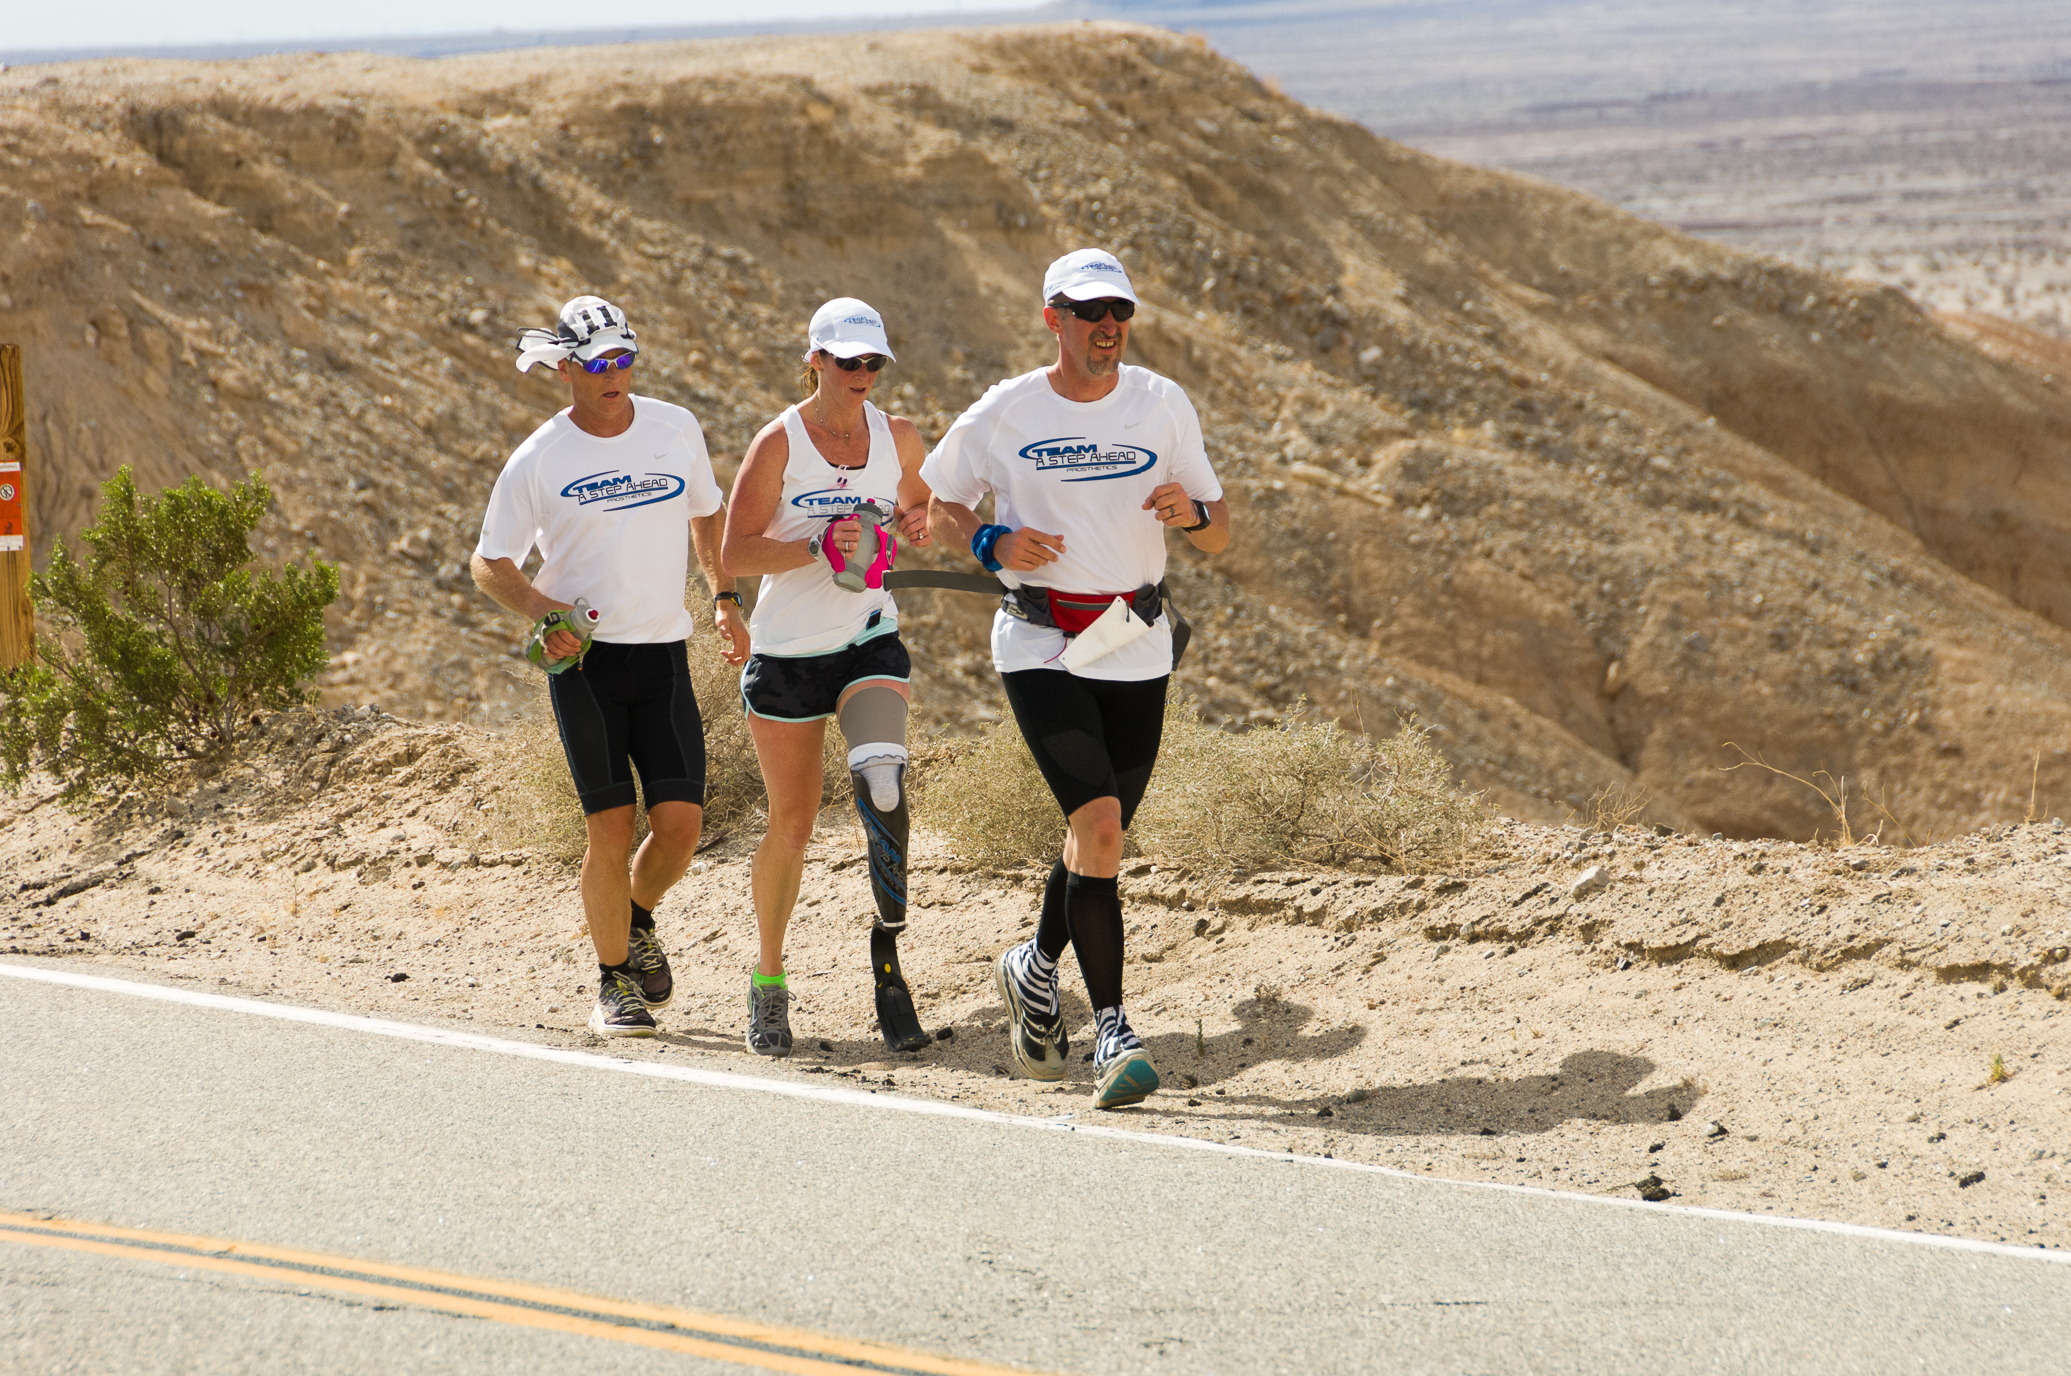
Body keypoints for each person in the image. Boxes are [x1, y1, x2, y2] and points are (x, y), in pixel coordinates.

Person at [922, 249, 1231, 1110]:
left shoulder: (1162, 402)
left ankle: (1032, 963)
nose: (1109, 326)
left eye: (1120, 311)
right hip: (1040, 641)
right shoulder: (1006, 410)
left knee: (1096, 842)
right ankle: (1114, 1032)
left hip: (1136, 638)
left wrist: (1193, 515)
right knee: (1097, 828)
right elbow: (934, 503)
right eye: (1091, 310)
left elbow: (1219, 530)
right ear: (1052, 316)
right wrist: (985, 543)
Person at [471, 295, 748, 1039]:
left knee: (683, 826)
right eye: (597, 364)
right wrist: (540, 612)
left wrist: (723, 596)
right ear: (566, 368)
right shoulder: (540, 456)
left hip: (662, 653)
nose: (613, 375)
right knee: (610, 827)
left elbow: (705, 510)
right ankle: (611, 981)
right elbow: (488, 562)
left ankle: (634, 919)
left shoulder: (674, 427)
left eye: (624, 359)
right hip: (585, 663)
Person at [721, 298, 935, 1057]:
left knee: (883, 782)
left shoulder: (898, 436)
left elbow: (917, 502)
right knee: (793, 827)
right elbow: (735, 553)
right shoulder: (778, 443)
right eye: (847, 362)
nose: (861, 376)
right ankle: (769, 980)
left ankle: (888, 968)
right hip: (783, 655)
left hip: (867, 636)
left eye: (872, 362)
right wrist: (817, 546)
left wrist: (915, 522)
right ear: (813, 360)